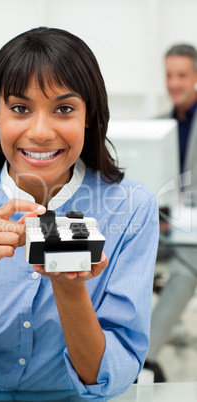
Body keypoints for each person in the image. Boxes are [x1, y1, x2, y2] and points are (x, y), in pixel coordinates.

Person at [0, 27, 159, 402]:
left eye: (64, 109)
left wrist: (69, 287)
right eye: (20, 109)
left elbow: (109, 379)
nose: (40, 132)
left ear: (89, 116)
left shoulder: (132, 208)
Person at [145, 44, 197, 382]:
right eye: (169, 75)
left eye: (181, 75)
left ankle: (140, 359)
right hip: (164, 229)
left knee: (185, 270)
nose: (173, 83)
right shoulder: (155, 128)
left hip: (193, 237)